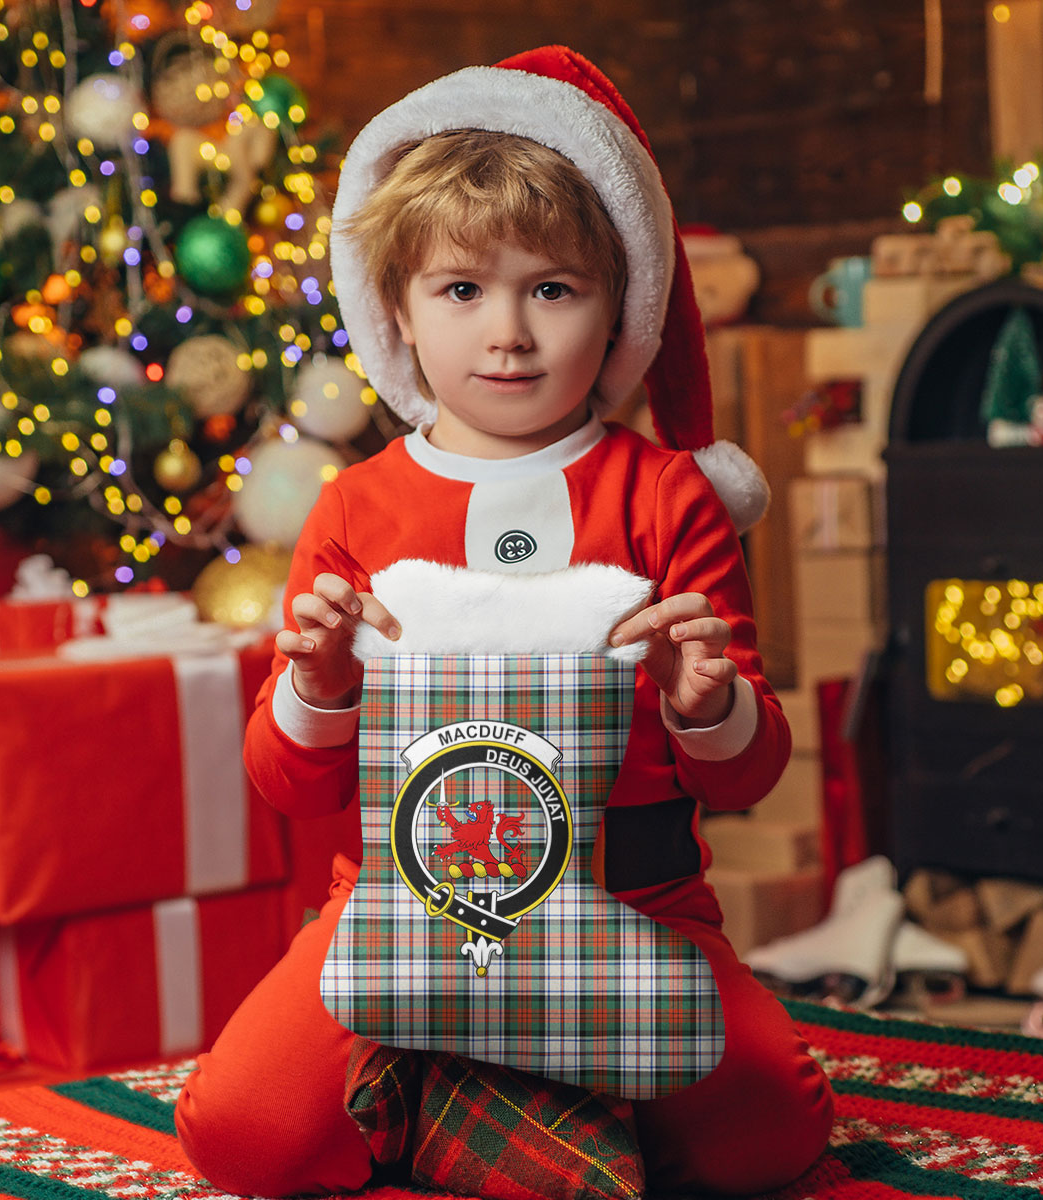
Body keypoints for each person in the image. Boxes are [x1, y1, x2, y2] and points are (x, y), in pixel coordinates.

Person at [175, 45, 833, 1197]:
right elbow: (289, 784)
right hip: (399, 902)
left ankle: (483, 1085)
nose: (509, 334)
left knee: (768, 1138)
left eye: (553, 288)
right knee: (244, 1136)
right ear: (398, 310)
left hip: (637, 903)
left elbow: (747, 780)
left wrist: (711, 705)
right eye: (463, 289)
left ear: (616, 303)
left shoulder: (667, 496)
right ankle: (488, 1086)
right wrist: (320, 686)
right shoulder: (358, 503)